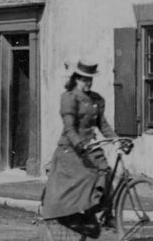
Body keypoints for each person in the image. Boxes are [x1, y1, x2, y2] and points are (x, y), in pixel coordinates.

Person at [40, 59, 116, 221]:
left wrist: (116, 140)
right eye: (84, 79)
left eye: (90, 79)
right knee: (87, 176)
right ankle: (77, 211)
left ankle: (107, 214)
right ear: (76, 79)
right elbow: (69, 127)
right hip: (71, 148)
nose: (87, 83)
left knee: (105, 170)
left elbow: (102, 124)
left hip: (90, 145)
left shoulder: (96, 99)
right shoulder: (69, 98)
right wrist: (79, 144)